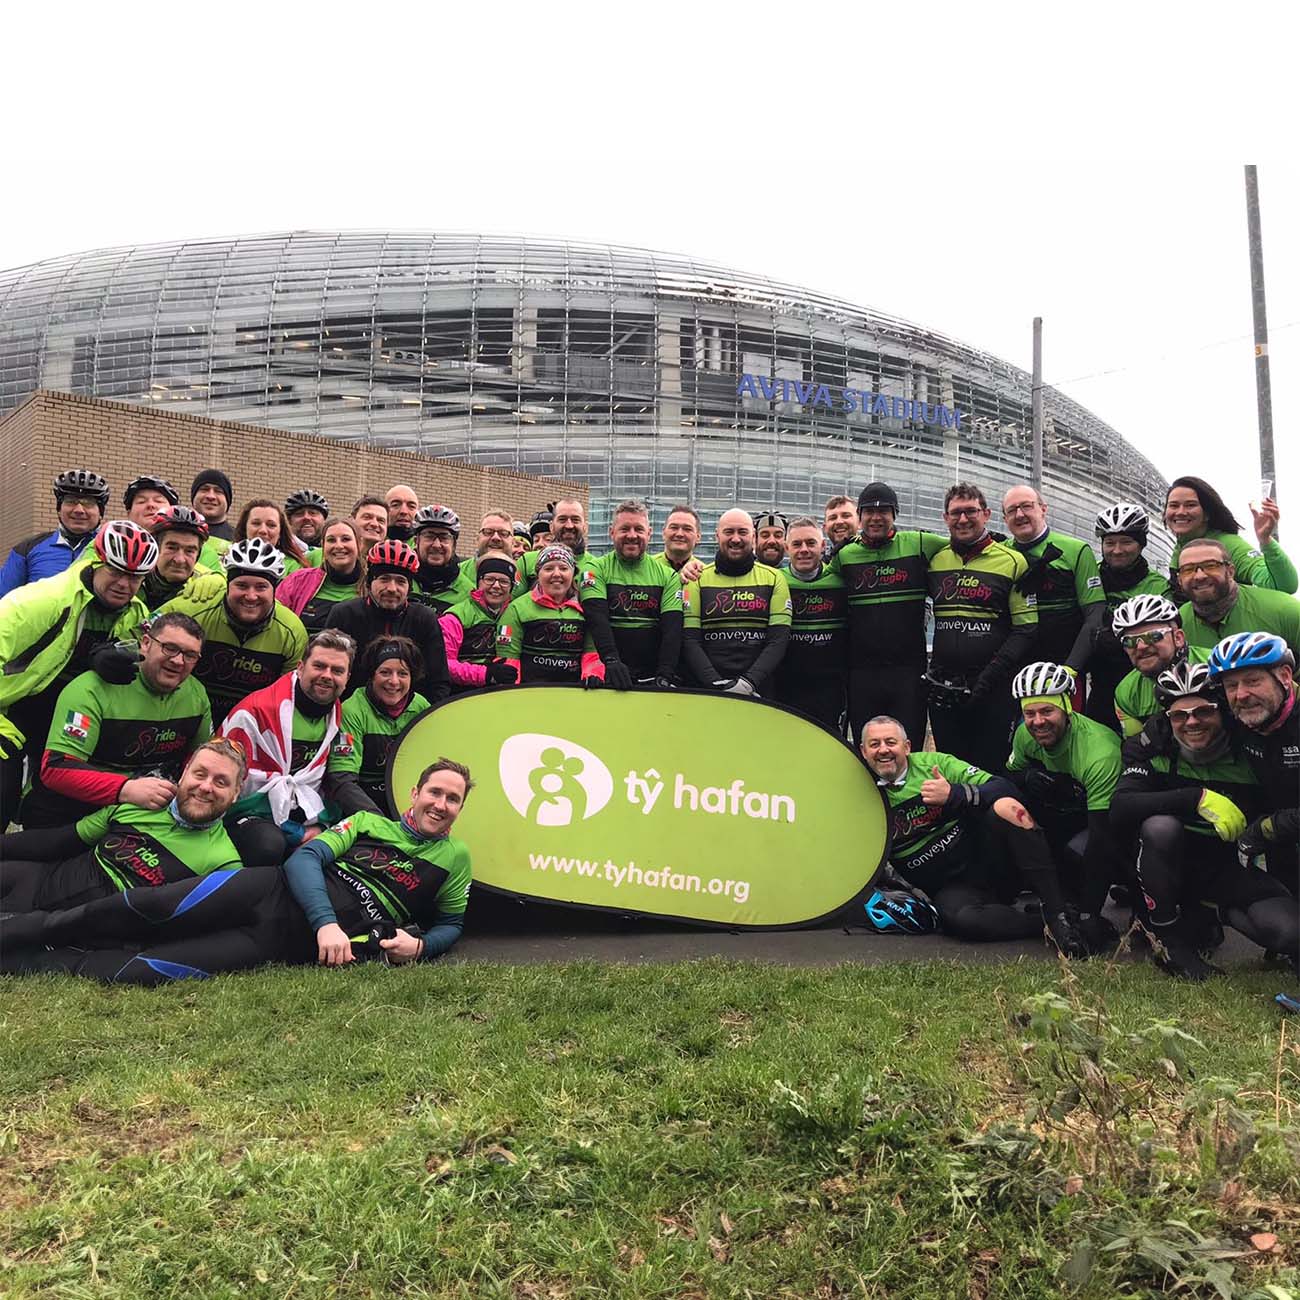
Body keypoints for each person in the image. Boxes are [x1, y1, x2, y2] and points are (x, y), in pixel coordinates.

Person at [0, 757, 474, 983]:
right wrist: (326, 923)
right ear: (415, 792)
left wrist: (421, 946)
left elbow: (451, 924)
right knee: (141, 908)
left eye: (453, 799)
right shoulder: (369, 822)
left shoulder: (455, 860)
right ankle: (19, 932)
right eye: (435, 793)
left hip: (280, 942)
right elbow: (306, 859)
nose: (441, 804)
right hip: (265, 892)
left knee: (150, 970)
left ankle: (23, 962)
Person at [1110, 660, 1294, 980]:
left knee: (1289, 933)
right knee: (1160, 827)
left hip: (1227, 866)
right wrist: (1195, 798)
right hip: (1164, 866)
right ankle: (1168, 944)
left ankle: (1211, 911)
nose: (1191, 722)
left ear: (1223, 710)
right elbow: (1120, 808)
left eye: (1203, 711)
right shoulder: (1155, 744)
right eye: (1179, 715)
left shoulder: (1251, 744)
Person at [860, 716, 1085, 953]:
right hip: (951, 888)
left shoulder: (934, 764)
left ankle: (1058, 913)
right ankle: (1045, 923)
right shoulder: (858, 792)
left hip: (991, 862)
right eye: (874, 744)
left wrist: (955, 794)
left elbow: (1004, 788)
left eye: (890, 742)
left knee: (1008, 807)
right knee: (964, 923)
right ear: (863, 752)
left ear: (907, 747)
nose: (883, 749)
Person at [0, 521, 156, 824]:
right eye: (116, 571)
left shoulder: (136, 614)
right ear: (96, 562)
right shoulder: (44, 601)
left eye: (135, 577)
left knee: (45, 811)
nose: (125, 583)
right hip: (9, 712)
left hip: (59, 721)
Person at [0, 739, 246, 926]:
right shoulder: (143, 802)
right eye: (200, 774)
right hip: (43, 880)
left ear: (236, 793)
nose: (205, 787)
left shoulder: (224, 863)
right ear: (184, 774)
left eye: (221, 782)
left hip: (71, 923)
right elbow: (61, 840)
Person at [20, 612, 211, 828]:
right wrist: (125, 789)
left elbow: (200, 758)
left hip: (144, 812)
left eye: (190, 655)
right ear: (146, 643)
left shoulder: (197, 695)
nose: (178, 661)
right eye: (169, 648)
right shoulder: (90, 688)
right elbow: (56, 768)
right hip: (70, 808)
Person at [1006, 662, 1125, 948]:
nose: (1037, 722)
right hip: (1064, 813)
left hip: (1108, 825)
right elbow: (1010, 777)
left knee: (1079, 850)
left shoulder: (1099, 752)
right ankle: (1059, 903)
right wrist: (1030, 775)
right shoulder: (1026, 735)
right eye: (1029, 713)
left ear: (1067, 708)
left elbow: (1102, 839)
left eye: (1047, 711)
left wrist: (1089, 914)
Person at [927, 483, 1038, 775]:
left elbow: (1026, 629)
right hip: (944, 690)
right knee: (951, 771)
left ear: (987, 514)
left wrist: (988, 677)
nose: (963, 519)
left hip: (993, 689)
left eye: (971, 511)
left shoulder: (1014, 561)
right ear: (945, 518)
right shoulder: (935, 560)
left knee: (991, 771)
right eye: (955, 513)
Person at [218, 629, 355, 866]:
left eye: (337, 671)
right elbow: (225, 777)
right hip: (247, 812)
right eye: (319, 666)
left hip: (308, 814)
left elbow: (333, 776)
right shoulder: (255, 711)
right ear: (300, 667)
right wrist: (297, 830)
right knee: (268, 845)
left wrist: (320, 826)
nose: (327, 676)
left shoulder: (340, 716)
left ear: (348, 677)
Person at [832, 481, 946, 748]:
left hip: (909, 673)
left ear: (895, 514)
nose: (876, 517)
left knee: (909, 746)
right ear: (859, 517)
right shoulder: (845, 555)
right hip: (862, 674)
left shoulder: (920, 543)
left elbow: (963, 545)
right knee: (868, 747)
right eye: (869, 511)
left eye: (884, 510)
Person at [153, 538, 307, 727]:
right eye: (241, 585)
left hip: (249, 723)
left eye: (261, 587)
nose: (251, 596)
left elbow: (285, 698)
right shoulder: (193, 608)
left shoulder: (292, 630)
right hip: (185, 714)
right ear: (227, 585)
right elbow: (140, 637)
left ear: (274, 589)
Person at [1209, 632, 1299, 895]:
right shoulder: (1238, 716)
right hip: (1281, 833)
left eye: (1253, 681)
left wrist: (1260, 831)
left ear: (1284, 676)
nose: (1241, 695)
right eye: (1231, 685)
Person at [1001, 484, 1106, 701]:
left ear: (1043, 509)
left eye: (1026, 506)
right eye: (1012, 510)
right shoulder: (1000, 553)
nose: (1019, 514)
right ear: (1004, 519)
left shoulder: (1076, 550)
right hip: (1013, 670)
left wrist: (1071, 669)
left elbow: (1095, 615)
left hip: (1064, 670)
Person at [681, 509, 791, 697]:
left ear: (753, 536)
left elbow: (778, 640)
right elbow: (690, 639)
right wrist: (715, 684)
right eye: (728, 532)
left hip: (759, 690)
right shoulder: (696, 578)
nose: (736, 539)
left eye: (742, 532)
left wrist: (748, 683)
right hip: (707, 690)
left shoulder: (775, 578)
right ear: (717, 535)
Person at [324, 541, 451, 702]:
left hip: (409, 715)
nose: (392, 588)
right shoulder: (344, 614)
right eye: (384, 579)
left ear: (409, 587)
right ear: (370, 582)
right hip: (351, 714)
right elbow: (328, 671)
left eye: (400, 581)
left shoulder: (424, 619)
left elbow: (438, 681)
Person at [578, 499, 683, 690]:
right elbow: (597, 619)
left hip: (651, 678)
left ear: (649, 534)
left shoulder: (668, 576)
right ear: (612, 532)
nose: (632, 536)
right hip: (608, 674)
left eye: (639, 529)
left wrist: (665, 674)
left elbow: (672, 632)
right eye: (625, 529)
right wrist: (611, 660)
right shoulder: (594, 569)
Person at [1086, 503, 1172, 729]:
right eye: (1109, 542)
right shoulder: (1090, 575)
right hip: (1099, 681)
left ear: (1141, 544)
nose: (1117, 550)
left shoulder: (1158, 585)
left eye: (1126, 542)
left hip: (1141, 680)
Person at [328, 636, 431, 815]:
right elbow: (341, 779)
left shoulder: (422, 707)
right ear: (372, 675)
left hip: (407, 803)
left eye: (403, 673)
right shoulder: (352, 710)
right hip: (362, 805)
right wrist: (378, 822)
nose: (394, 681)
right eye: (385, 672)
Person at [1165, 476, 1296, 599]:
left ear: (1207, 514)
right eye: (1174, 506)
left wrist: (1266, 541)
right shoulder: (1179, 547)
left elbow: (1283, 585)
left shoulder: (1229, 544)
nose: (1180, 512)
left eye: (1190, 505)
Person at [772, 518, 847, 732]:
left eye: (811, 543)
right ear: (786, 548)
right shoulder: (774, 580)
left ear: (823, 546)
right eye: (796, 544)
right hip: (785, 687)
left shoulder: (841, 580)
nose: (804, 550)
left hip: (830, 689)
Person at [496, 544, 605, 685]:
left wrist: (593, 676)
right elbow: (508, 660)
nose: (556, 574)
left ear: (573, 573)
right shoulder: (516, 609)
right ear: (538, 574)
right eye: (548, 569)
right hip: (529, 692)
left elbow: (592, 654)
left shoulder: (586, 607)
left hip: (575, 693)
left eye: (564, 568)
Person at [1175, 538, 1300, 655]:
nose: (1199, 576)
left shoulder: (1282, 609)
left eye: (1210, 566)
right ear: (1179, 579)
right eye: (1188, 569)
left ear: (1230, 571)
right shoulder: (1178, 623)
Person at [1110, 593, 1209, 737]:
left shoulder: (1215, 665)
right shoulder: (1126, 692)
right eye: (1129, 641)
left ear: (1178, 638)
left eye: (1153, 636)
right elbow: (1139, 748)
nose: (1141, 646)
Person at [0, 468, 109, 598]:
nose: (79, 510)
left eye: (88, 503)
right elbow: (4, 599)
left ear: (100, 513)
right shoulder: (27, 548)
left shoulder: (111, 549)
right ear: (59, 509)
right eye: (70, 501)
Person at [440, 551, 520, 690]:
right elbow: (443, 664)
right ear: (478, 581)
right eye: (489, 579)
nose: (496, 586)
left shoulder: (516, 614)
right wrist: (485, 674)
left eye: (504, 581)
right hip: (461, 695)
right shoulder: (455, 617)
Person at [276, 517, 366, 633]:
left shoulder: (371, 586)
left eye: (345, 539)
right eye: (331, 540)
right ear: (323, 546)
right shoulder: (297, 581)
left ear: (360, 544)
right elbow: (275, 620)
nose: (338, 546)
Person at [142, 506, 226, 611]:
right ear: (156, 548)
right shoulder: (133, 578)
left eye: (189, 551)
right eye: (172, 548)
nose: (180, 560)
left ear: (198, 555)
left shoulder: (211, 584)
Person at [514, 497, 587, 596]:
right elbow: (509, 603)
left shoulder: (596, 565)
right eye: (562, 519)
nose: (569, 525)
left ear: (585, 527)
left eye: (575, 520)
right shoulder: (527, 561)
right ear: (551, 527)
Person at [410, 506, 474, 613]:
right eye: (429, 536)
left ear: (454, 545)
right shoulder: (399, 581)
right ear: (416, 541)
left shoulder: (468, 594)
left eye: (444, 537)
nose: (436, 545)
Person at [234, 498, 308, 576]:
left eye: (271, 525)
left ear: (280, 532)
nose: (263, 530)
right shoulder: (228, 561)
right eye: (256, 523)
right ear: (244, 528)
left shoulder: (295, 569)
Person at [655, 504, 704, 583]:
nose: (679, 534)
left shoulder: (703, 573)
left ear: (698, 536)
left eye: (687, 529)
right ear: (663, 533)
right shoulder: (646, 568)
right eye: (674, 527)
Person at [190, 469, 235, 542]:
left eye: (218, 491)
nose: (211, 496)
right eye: (204, 489)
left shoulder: (239, 540)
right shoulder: (177, 533)